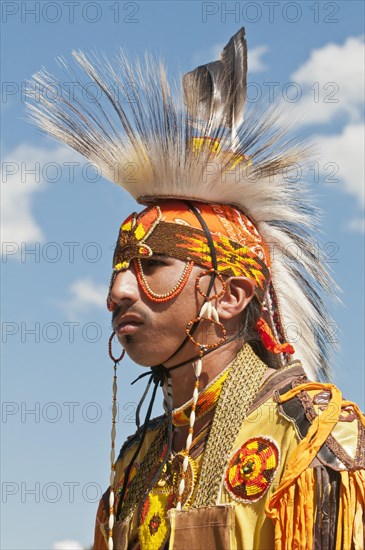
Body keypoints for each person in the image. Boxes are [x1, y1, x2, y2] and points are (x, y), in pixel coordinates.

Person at [27, 28, 364, 550]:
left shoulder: (314, 440)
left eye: (151, 265)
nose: (117, 290)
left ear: (229, 295)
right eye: (119, 268)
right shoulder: (136, 463)